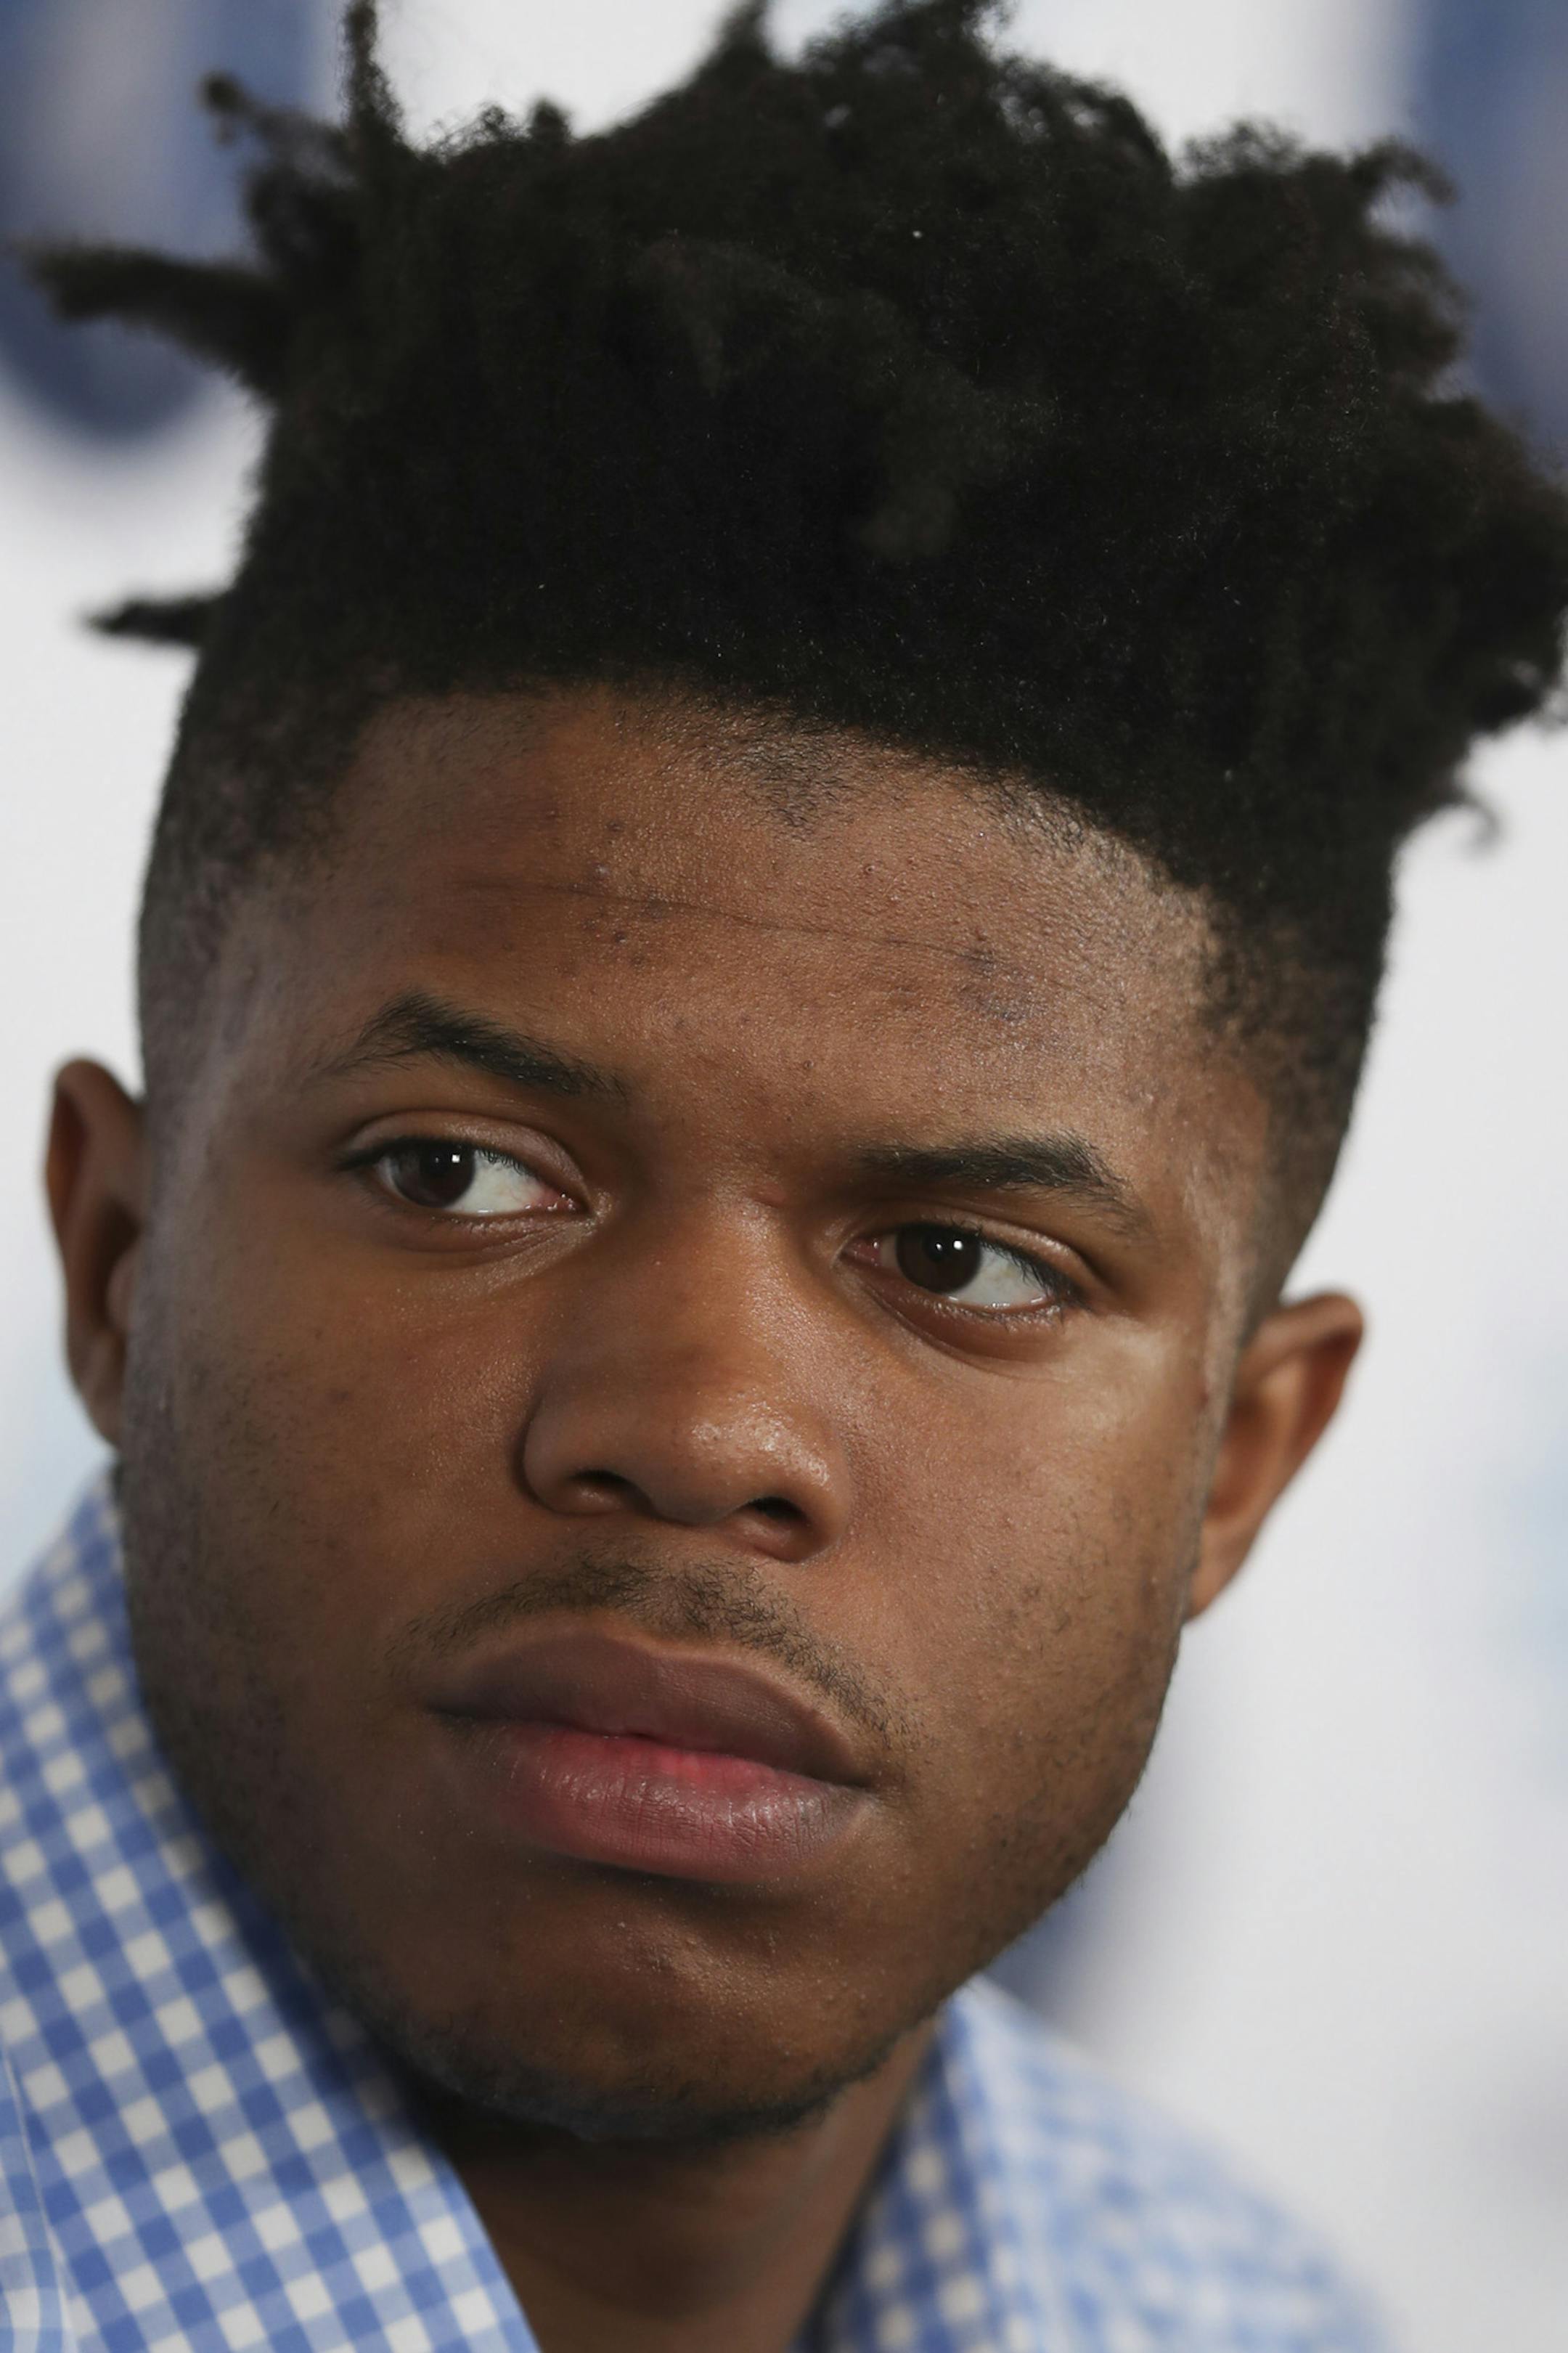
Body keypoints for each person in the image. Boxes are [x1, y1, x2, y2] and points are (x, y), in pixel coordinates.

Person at [4, 3, 1565, 2346]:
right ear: (117, 1260)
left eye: (962, 1258)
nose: (701, 1422)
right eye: (456, 1171)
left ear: (1241, 1462)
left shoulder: (1247, 2319)